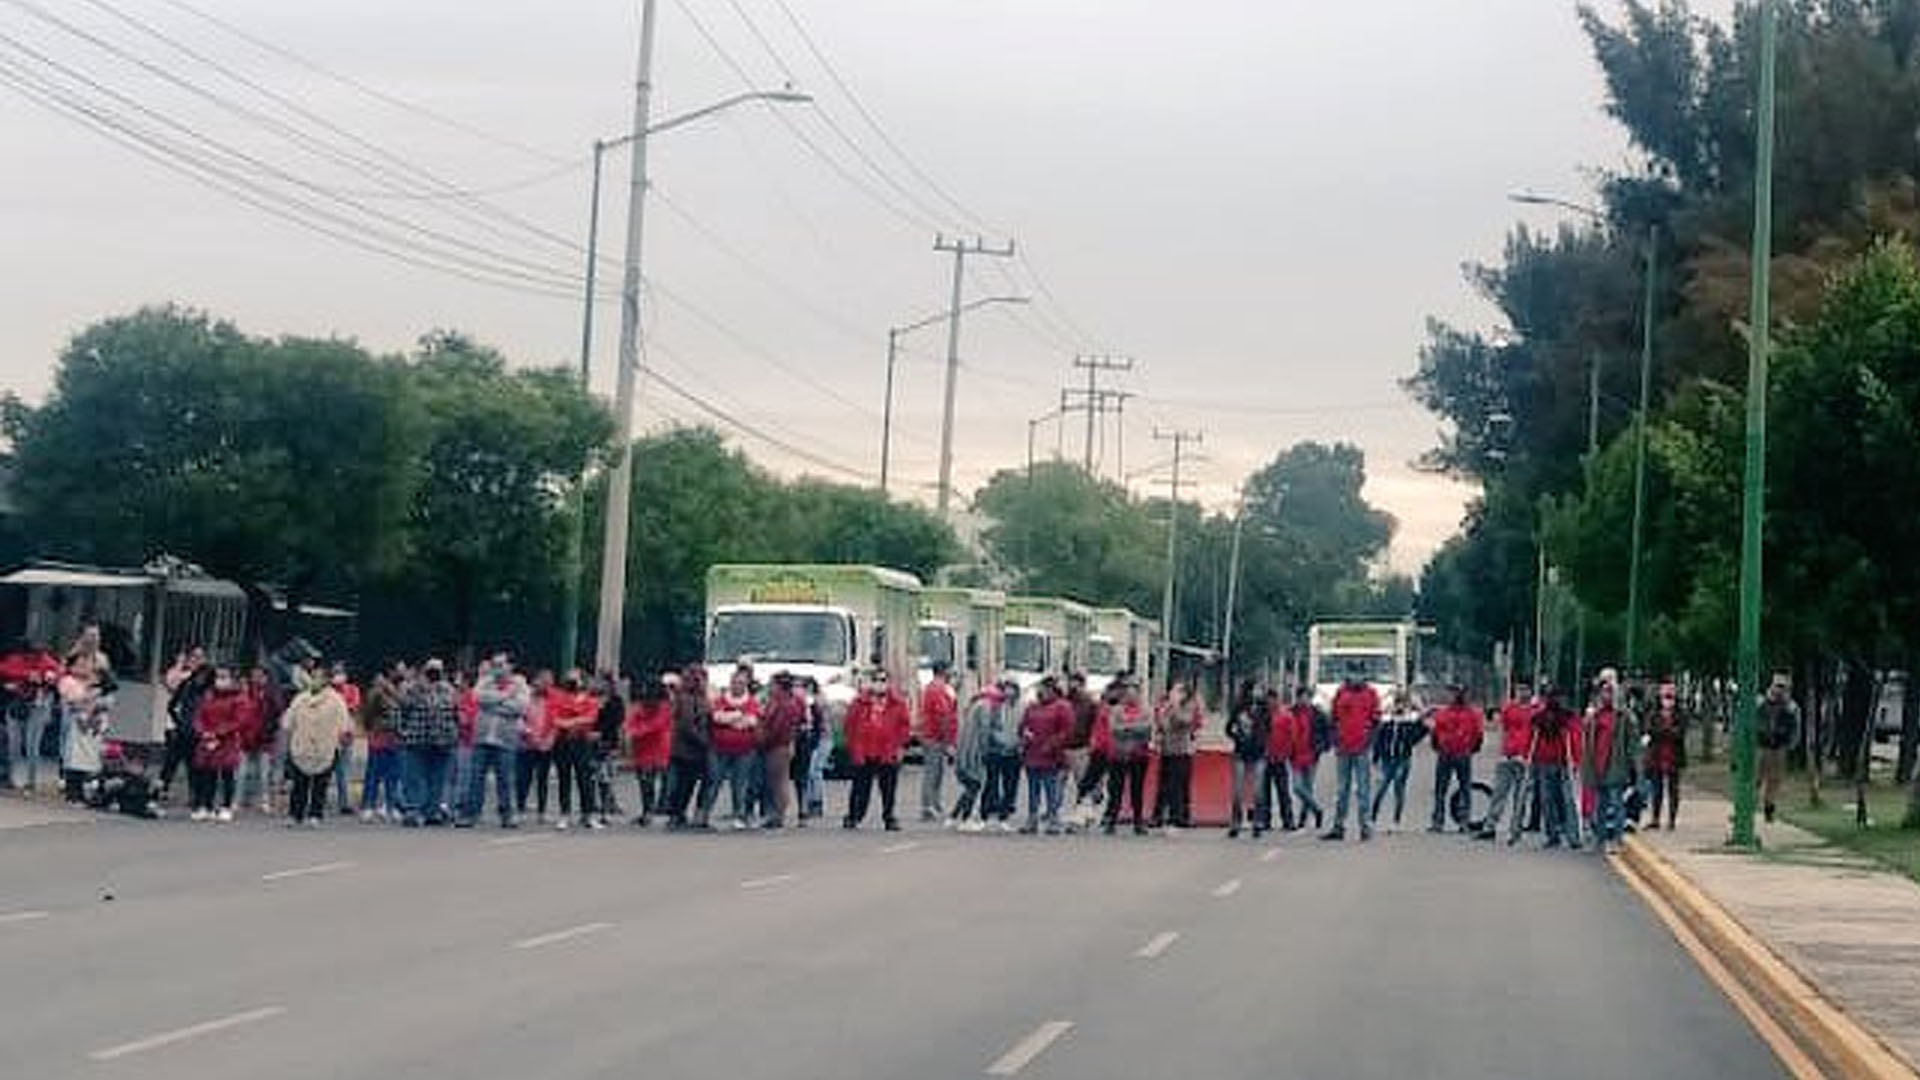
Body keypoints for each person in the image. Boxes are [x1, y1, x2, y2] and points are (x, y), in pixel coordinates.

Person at [462, 654, 527, 829]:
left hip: (505, 739)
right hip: (482, 737)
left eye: (500, 664)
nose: (496, 668)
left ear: (510, 666)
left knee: (505, 779)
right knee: (476, 778)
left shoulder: (519, 684)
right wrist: (506, 696)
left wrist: (491, 705)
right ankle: (471, 815)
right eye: (494, 664)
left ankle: (507, 815)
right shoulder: (485, 681)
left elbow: (520, 707)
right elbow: (477, 698)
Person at [283, 666, 351, 826]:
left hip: (326, 747)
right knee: (299, 783)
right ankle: (295, 815)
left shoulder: (336, 700)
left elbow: (344, 724)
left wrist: (343, 738)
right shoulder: (300, 699)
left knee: (320, 783)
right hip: (302, 746)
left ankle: (315, 814)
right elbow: (288, 721)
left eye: (319, 677)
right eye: (313, 677)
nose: (315, 680)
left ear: (327, 680)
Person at [844, 669, 910, 831]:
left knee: (888, 788)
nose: (879, 684)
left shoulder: (897, 703)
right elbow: (850, 725)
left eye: (883, 680)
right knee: (860, 787)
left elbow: (904, 726)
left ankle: (889, 817)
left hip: (887, 751)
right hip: (864, 750)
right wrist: (853, 747)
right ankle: (854, 815)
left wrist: (900, 746)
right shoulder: (859, 702)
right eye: (876, 680)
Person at [397, 659, 460, 827]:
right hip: (417, 739)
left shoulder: (448, 690)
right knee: (414, 777)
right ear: (424, 671)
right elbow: (403, 707)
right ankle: (413, 810)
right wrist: (402, 732)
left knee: (437, 778)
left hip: (443, 740)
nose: (434, 674)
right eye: (431, 671)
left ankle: (432, 811)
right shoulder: (411, 688)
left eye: (437, 671)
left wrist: (454, 734)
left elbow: (455, 712)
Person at [1321, 664, 1381, 842]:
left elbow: (1376, 721)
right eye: (1352, 672)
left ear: (1364, 675)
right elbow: (1332, 719)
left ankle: (1365, 827)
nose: (1355, 677)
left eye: (1359, 673)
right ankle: (1338, 826)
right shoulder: (1341, 692)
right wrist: (1335, 740)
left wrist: (1369, 742)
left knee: (1363, 790)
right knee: (1341, 790)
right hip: (1343, 748)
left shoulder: (1371, 694)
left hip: (1362, 748)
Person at [1581, 675, 1637, 854]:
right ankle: (1599, 839)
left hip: (1616, 765)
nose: (1607, 695)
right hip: (1598, 765)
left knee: (1617, 803)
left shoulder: (1624, 716)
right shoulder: (1594, 716)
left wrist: (1633, 766)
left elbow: (1632, 743)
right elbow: (1587, 738)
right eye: (1604, 692)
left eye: (1610, 692)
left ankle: (1617, 840)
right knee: (1600, 805)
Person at [1477, 682, 1536, 844]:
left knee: (1520, 797)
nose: (1521, 692)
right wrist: (1501, 751)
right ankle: (1490, 826)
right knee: (1499, 793)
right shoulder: (1509, 708)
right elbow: (1502, 729)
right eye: (1519, 689)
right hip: (1507, 755)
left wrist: (1528, 756)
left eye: (1524, 689)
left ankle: (1515, 830)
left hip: (1525, 757)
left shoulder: (1535, 711)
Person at [704, 665, 761, 831]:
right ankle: (704, 815)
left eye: (741, 683)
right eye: (735, 682)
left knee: (740, 784)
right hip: (718, 748)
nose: (737, 686)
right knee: (713, 781)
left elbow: (752, 721)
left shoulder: (751, 702)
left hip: (745, 750)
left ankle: (739, 816)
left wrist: (729, 718)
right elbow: (716, 717)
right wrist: (738, 716)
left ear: (746, 685)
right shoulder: (720, 700)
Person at [190, 666, 250, 821]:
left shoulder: (239, 698)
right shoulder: (208, 695)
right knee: (208, 773)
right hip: (208, 740)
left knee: (227, 774)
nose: (220, 680)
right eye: (218, 677)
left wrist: (219, 732)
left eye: (224, 677)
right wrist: (203, 731)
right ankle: (206, 806)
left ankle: (226, 806)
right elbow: (199, 715)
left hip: (227, 741)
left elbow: (239, 720)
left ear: (232, 679)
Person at [0, 640, 60, 793]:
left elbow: (58, 676)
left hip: (37, 707)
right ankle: (10, 778)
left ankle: (31, 781)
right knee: (14, 744)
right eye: (30, 653)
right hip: (17, 704)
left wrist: (45, 678)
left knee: (32, 745)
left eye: (36, 653)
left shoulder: (47, 661)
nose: (33, 656)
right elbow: (3, 670)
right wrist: (25, 676)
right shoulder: (15, 659)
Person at [547, 671, 603, 830]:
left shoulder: (590, 700)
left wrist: (570, 720)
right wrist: (576, 720)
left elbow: (590, 718)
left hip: (581, 742)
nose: (572, 682)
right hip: (562, 741)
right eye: (570, 679)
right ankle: (564, 814)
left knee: (584, 778)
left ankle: (588, 814)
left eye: (576, 679)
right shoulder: (560, 698)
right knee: (564, 778)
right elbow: (555, 719)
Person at [951, 678, 1008, 831]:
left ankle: (953, 816)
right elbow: (985, 729)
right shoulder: (986, 706)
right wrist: (990, 747)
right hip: (973, 750)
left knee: (971, 785)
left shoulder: (978, 702)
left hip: (965, 747)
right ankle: (965, 819)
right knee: (974, 784)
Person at [1019, 676, 1073, 835]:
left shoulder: (1062, 707)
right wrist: (1024, 734)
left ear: (1053, 690)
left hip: (1051, 756)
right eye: (1040, 689)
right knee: (1033, 789)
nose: (1041, 692)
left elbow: (1067, 731)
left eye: (1045, 689)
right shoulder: (1032, 707)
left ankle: (1053, 819)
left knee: (1051, 789)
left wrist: (1052, 744)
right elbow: (1022, 726)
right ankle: (1032, 819)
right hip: (1032, 753)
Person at [1100, 677, 1154, 835]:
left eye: (1134, 692)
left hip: (1139, 754)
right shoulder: (1116, 710)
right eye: (1128, 692)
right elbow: (1113, 729)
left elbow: (1147, 730)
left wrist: (1126, 727)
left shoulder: (1146, 710)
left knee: (1137, 789)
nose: (1131, 695)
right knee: (1115, 789)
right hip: (1119, 754)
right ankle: (1111, 820)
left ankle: (1138, 821)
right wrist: (1134, 728)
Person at [1530, 684, 1581, 849]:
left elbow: (1575, 738)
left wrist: (1576, 760)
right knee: (1547, 800)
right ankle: (1552, 834)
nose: (1552, 699)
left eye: (1555, 696)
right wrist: (1530, 758)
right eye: (1549, 696)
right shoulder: (1539, 718)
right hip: (1545, 762)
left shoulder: (1568, 717)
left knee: (1569, 799)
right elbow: (1532, 738)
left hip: (1564, 762)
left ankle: (1573, 836)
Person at [157, 647, 210, 800]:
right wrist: (179, 723)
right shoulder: (185, 681)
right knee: (171, 761)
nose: (196, 660)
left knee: (194, 764)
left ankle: (195, 794)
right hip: (180, 728)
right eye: (194, 656)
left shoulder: (207, 684)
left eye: (200, 657)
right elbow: (171, 696)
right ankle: (162, 789)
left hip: (197, 730)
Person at [664, 666, 712, 829]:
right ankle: (676, 813)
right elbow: (687, 724)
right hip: (687, 748)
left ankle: (679, 813)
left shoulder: (700, 698)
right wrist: (703, 740)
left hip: (692, 748)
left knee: (688, 782)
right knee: (683, 783)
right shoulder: (686, 699)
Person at [1370, 690, 1426, 830]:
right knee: (1381, 789)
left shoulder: (1409, 723)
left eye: (1402, 704)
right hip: (1387, 760)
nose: (1399, 707)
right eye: (1397, 703)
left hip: (1402, 759)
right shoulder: (1387, 722)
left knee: (1398, 789)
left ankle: (1396, 821)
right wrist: (1376, 758)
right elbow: (1379, 740)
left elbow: (1421, 731)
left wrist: (1419, 716)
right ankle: (1372, 818)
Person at [1430, 683, 1481, 833]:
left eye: (1456, 693)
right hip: (1445, 753)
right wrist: (1439, 747)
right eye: (1451, 693)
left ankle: (1464, 821)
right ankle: (1438, 821)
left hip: (1462, 753)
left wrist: (1469, 749)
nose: (1453, 696)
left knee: (1465, 788)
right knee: (1440, 789)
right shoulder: (1442, 713)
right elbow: (1435, 732)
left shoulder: (1472, 713)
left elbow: (1478, 734)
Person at [1152, 679, 1203, 829]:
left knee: (1181, 784)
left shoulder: (1189, 706)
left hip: (1183, 749)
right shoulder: (1165, 705)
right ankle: (1158, 815)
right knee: (1164, 784)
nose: (1175, 694)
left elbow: (1185, 721)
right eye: (1174, 690)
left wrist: (1175, 707)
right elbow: (1162, 723)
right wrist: (1166, 710)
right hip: (1167, 749)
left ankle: (1181, 815)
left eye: (1179, 691)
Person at [58, 654, 108, 803]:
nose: (83, 668)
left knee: (89, 759)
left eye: (86, 665)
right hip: (75, 723)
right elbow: (72, 699)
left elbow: (106, 702)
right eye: (79, 665)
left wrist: (97, 701)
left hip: (93, 725)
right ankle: (72, 793)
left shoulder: (97, 685)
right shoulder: (68, 681)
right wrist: (87, 698)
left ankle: (84, 793)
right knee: (74, 758)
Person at [1224, 678, 1269, 839]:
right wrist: (1238, 737)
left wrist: (1262, 740)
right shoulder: (1238, 708)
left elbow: (1268, 727)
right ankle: (1235, 822)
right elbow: (1228, 728)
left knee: (1258, 790)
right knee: (1238, 790)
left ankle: (1257, 822)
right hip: (1241, 752)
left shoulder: (1263, 708)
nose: (1258, 692)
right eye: (1256, 688)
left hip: (1259, 753)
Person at [625, 675, 672, 826]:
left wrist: (636, 731)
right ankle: (647, 810)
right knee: (645, 782)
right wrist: (632, 731)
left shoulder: (665, 707)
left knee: (656, 780)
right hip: (642, 749)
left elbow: (657, 725)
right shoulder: (639, 707)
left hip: (658, 748)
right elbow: (629, 723)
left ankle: (658, 808)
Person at [360, 663, 404, 822]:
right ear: (390, 672)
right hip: (379, 736)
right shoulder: (376, 692)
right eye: (397, 669)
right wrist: (371, 730)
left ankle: (390, 806)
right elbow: (368, 714)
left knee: (393, 775)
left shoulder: (397, 690)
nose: (400, 672)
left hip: (395, 737)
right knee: (374, 774)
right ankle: (368, 807)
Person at [1644, 679, 1688, 830]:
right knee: (1656, 789)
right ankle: (1655, 819)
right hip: (1657, 755)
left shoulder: (1680, 713)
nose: (1667, 699)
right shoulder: (1654, 712)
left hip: (1674, 756)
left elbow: (1680, 733)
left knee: (1673, 789)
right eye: (1665, 694)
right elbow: (1650, 730)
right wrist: (1667, 731)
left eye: (1670, 694)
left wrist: (1663, 731)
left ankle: (1671, 820)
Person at [759, 672, 801, 829]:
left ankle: (778, 815)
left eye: (772, 684)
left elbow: (777, 728)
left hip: (778, 746)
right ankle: (776, 814)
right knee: (776, 781)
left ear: (780, 687)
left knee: (778, 782)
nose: (770, 687)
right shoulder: (778, 702)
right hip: (778, 745)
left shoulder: (785, 705)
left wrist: (763, 739)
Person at [982, 679, 1025, 831]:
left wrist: (1017, 743)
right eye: (1006, 689)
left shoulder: (1023, 708)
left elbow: (1024, 728)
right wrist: (1001, 742)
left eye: (1012, 689)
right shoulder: (996, 707)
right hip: (996, 751)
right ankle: (988, 812)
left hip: (1014, 752)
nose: (1008, 692)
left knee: (1010, 784)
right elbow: (991, 728)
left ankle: (1004, 814)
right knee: (992, 783)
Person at [918, 662, 959, 824]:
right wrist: (949, 741)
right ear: (942, 672)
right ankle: (928, 806)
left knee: (937, 772)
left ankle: (934, 804)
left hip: (934, 735)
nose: (952, 674)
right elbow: (942, 715)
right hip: (934, 736)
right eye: (949, 671)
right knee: (932, 773)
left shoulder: (936, 688)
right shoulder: (937, 690)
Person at [1757, 673, 1800, 824]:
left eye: (1783, 687)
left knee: (1774, 781)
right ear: (1772, 686)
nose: (1780, 690)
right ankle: (1748, 807)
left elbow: (1796, 726)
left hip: (1779, 747)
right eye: (1778, 686)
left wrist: (1792, 743)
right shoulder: (1761, 702)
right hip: (1762, 746)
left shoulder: (1790, 707)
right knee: (1757, 778)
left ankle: (1769, 809)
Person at [516, 670, 557, 822]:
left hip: (545, 746)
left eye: (547, 683)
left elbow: (554, 722)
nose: (543, 686)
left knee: (542, 779)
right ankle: (520, 807)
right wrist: (527, 733)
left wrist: (549, 739)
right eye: (541, 683)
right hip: (526, 744)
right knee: (523, 778)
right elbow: (519, 719)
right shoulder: (525, 700)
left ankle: (541, 811)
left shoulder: (551, 701)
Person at [1255, 687, 1298, 834]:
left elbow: (1292, 735)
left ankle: (1288, 819)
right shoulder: (1262, 715)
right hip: (1265, 756)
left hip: (1280, 757)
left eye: (1272, 699)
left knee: (1283, 791)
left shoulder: (1285, 715)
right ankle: (1265, 819)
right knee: (1264, 791)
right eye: (1268, 700)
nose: (1270, 702)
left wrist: (1288, 752)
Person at [330, 666, 362, 814]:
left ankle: (344, 803)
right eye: (335, 673)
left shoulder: (353, 689)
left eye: (340, 673)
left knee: (343, 769)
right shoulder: (328, 692)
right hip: (329, 735)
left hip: (346, 733)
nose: (338, 676)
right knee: (325, 770)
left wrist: (339, 705)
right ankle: (319, 801)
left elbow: (354, 707)